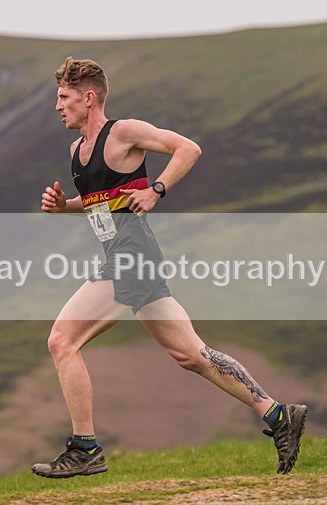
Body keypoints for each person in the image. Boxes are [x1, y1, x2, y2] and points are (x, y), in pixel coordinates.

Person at [31, 56, 307, 479]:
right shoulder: (77, 152)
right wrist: (65, 206)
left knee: (61, 341)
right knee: (191, 355)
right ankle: (277, 414)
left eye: (64, 97)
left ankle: (84, 447)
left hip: (132, 259)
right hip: (127, 259)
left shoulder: (122, 132)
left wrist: (158, 189)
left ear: (89, 98)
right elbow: (101, 207)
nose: (57, 106)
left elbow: (188, 148)